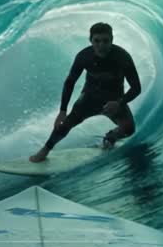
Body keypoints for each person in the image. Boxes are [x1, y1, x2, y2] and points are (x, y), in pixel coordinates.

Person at [30, 22, 141, 163]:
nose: (101, 45)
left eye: (105, 41)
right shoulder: (84, 57)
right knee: (64, 124)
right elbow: (70, 82)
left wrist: (119, 103)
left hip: (113, 102)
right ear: (90, 40)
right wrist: (62, 111)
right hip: (89, 98)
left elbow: (136, 87)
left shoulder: (122, 57)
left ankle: (111, 137)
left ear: (112, 40)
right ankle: (44, 151)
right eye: (97, 41)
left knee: (129, 129)